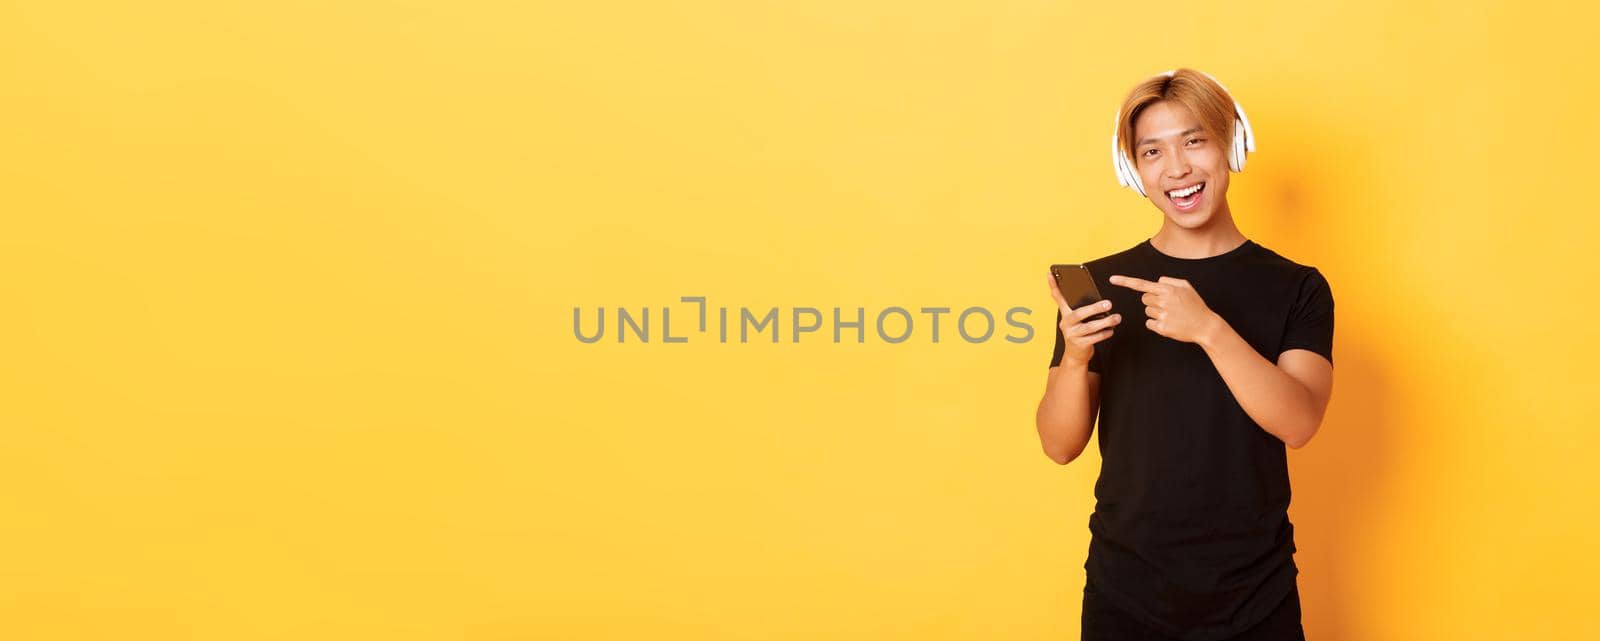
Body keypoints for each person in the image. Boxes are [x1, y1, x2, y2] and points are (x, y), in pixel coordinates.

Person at [1035, 68, 1335, 641]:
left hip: (1256, 592)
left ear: (1232, 146)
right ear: (1133, 170)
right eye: (1152, 152)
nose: (1177, 169)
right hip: (1126, 591)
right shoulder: (1098, 285)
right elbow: (1059, 445)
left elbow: (1299, 422)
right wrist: (1074, 358)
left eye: (1194, 141)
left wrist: (1209, 330)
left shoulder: (1298, 287)